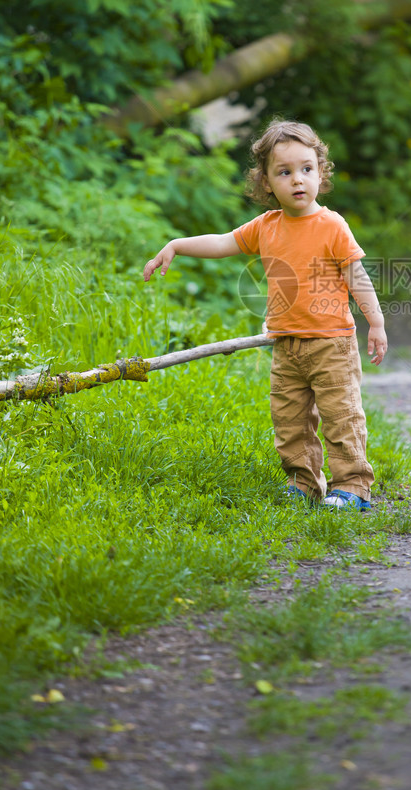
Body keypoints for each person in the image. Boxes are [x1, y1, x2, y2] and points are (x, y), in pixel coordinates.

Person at [143, 119, 387, 511]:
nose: (297, 180)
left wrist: (375, 322)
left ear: (321, 173)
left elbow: (356, 277)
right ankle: (304, 482)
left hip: (332, 345)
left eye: (306, 169)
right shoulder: (266, 227)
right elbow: (223, 242)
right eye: (284, 172)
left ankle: (352, 487)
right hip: (285, 344)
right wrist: (176, 245)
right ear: (266, 183)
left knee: (341, 418)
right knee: (290, 422)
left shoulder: (332, 226)